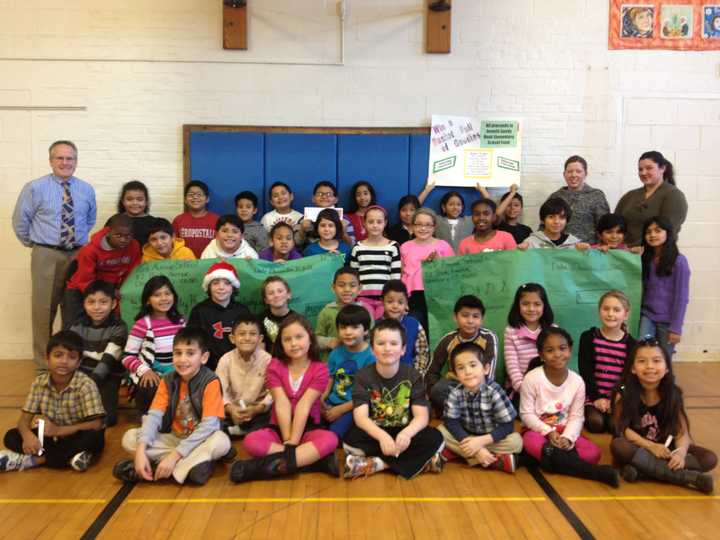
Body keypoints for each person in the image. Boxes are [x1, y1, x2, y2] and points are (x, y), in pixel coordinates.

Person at [12, 140, 97, 368]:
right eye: (59, 158)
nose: (65, 162)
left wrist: (75, 243)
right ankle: (42, 363)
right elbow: (20, 221)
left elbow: (89, 220)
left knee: (74, 308)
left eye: (70, 158)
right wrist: (39, 245)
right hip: (46, 254)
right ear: (50, 161)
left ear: (76, 161)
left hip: (78, 255)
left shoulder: (86, 189)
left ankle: (70, 360)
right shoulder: (34, 188)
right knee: (43, 310)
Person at [113, 327, 233, 485]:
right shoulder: (167, 380)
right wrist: (141, 451)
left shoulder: (210, 381)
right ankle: (189, 467)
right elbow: (154, 416)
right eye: (178, 353)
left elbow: (209, 426)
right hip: (174, 438)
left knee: (221, 442)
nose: (183, 359)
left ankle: (161, 468)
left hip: (202, 440)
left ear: (204, 357)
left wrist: (173, 457)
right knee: (130, 438)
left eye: (190, 353)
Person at [230, 315, 339, 482]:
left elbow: (304, 405)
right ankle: (314, 462)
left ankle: (255, 468)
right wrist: (288, 441)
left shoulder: (320, 369)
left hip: (308, 428)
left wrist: (293, 442)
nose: (294, 343)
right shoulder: (274, 366)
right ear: (281, 344)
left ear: (310, 338)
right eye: (287, 339)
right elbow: (281, 402)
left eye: (299, 337)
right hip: (280, 427)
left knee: (330, 439)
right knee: (251, 441)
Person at [342, 319, 445, 479]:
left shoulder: (413, 375)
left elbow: (422, 416)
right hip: (376, 433)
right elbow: (361, 418)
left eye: (394, 343)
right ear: (372, 349)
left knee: (435, 437)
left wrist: (406, 434)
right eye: (381, 343)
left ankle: (377, 465)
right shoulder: (363, 376)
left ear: (403, 349)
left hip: (404, 431)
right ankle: (423, 462)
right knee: (350, 440)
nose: (387, 348)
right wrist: (382, 437)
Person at [611, 339, 716, 493]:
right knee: (619, 446)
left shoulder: (673, 393)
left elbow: (682, 432)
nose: (650, 366)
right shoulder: (623, 391)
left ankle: (642, 471)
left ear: (667, 368)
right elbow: (623, 429)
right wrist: (651, 447)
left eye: (656, 361)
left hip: (665, 449)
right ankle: (688, 478)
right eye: (642, 361)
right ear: (633, 368)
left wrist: (680, 453)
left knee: (709, 458)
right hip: (638, 447)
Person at [520, 328, 619, 487]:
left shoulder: (577, 381)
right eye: (550, 350)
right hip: (537, 432)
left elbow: (576, 417)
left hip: (563, 432)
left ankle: (542, 459)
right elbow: (526, 415)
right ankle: (595, 473)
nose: (557, 354)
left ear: (570, 349)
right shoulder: (532, 378)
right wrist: (548, 432)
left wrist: (568, 437)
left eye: (562, 348)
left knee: (594, 453)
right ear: (541, 354)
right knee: (530, 441)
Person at [0, 330, 105, 473]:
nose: (64, 361)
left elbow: (96, 424)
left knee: (94, 438)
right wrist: (27, 436)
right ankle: (70, 459)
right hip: (52, 437)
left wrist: (60, 430)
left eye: (72, 357)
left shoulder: (86, 384)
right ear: (47, 358)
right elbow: (23, 421)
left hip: (76, 435)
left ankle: (34, 460)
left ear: (79, 362)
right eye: (58, 355)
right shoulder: (39, 383)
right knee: (11, 436)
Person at [438, 342, 522, 472]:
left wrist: (480, 442)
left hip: (490, 438)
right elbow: (451, 422)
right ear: (455, 374)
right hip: (467, 435)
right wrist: (475, 447)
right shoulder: (455, 392)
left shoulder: (494, 391)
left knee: (516, 442)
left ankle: (462, 455)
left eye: (473, 365)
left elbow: (507, 426)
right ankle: (488, 459)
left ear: (485, 369)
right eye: (461, 368)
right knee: (441, 432)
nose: (468, 372)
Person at [62, 213, 142, 326]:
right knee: (73, 326)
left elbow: (132, 272)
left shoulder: (134, 246)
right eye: (118, 235)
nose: (123, 240)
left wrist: (122, 290)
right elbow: (84, 279)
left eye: (127, 236)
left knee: (113, 325)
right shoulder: (90, 250)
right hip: (81, 288)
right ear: (109, 232)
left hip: (111, 289)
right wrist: (106, 294)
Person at [68, 281, 128, 427]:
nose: (96, 307)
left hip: (108, 375)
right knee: (70, 413)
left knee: (108, 419)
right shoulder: (77, 326)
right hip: (82, 373)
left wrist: (90, 384)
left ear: (113, 304)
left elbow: (108, 359)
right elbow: (72, 355)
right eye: (91, 302)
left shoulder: (119, 327)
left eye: (103, 302)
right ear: (84, 304)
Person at [122, 276, 185, 414]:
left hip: (179, 369)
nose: (164, 298)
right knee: (149, 386)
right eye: (157, 295)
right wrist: (145, 371)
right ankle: (149, 422)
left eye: (167, 293)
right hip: (154, 371)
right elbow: (127, 357)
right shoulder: (142, 324)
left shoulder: (180, 321)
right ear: (148, 301)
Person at [426, 295, 498, 413]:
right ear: (455, 317)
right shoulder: (448, 340)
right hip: (454, 385)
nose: (470, 321)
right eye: (465, 315)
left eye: (475, 316)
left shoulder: (489, 338)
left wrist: (477, 390)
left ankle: (467, 414)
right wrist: (432, 390)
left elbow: (489, 373)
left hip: (479, 383)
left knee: (493, 393)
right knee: (437, 391)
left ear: (482, 319)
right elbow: (432, 370)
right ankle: (460, 415)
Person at [578, 291, 636, 434]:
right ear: (599, 311)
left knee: (614, 427)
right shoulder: (588, 337)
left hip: (617, 398)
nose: (610, 314)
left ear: (626, 314)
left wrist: (616, 399)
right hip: (593, 396)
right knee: (596, 423)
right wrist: (597, 398)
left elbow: (628, 378)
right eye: (606, 309)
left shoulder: (631, 344)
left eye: (616, 310)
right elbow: (585, 371)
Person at [321, 305, 375, 439]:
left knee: (333, 435)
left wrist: (340, 409)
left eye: (355, 327)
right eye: (343, 327)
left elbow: (368, 394)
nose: (348, 332)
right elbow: (330, 379)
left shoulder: (371, 357)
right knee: (311, 425)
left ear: (366, 330)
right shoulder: (336, 352)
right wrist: (322, 399)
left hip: (353, 406)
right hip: (331, 402)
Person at [187, 262, 251, 370]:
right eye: (215, 283)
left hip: (239, 366)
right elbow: (192, 342)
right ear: (209, 287)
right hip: (207, 368)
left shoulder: (242, 311)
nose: (221, 287)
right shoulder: (199, 311)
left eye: (227, 283)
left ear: (233, 287)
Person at [615, 151, 688, 246]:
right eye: (640, 169)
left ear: (662, 168)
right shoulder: (630, 196)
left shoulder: (673, 195)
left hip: (655, 255)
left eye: (649, 168)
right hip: (626, 254)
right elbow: (615, 224)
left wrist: (638, 249)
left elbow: (667, 231)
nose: (643, 172)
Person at [216, 314, 272, 437]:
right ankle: (241, 431)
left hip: (258, 411)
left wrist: (257, 409)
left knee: (274, 416)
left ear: (260, 338)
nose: (247, 338)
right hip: (232, 410)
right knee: (213, 420)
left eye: (252, 334)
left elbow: (273, 392)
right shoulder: (225, 360)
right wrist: (231, 409)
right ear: (232, 338)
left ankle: (239, 431)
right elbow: (220, 391)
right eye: (242, 334)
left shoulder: (268, 360)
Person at [639, 216, 690, 354]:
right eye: (648, 232)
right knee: (643, 352)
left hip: (667, 321)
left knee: (664, 359)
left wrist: (676, 328)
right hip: (647, 316)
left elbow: (682, 297)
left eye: (657, 230)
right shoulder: (644, 259)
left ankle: (669, 377)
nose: (652, 235)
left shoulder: (679, 261)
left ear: (668, 233)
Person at [400, 208, 454, 334]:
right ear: (412, 226)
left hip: (436, 295)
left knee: (435, 332)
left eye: (428, 225)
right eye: (419, 224)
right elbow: (402, 275)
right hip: (412, 297)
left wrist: (439, 263)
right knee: (414, 331)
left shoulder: (443, 246)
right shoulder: (405, 246)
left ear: (434, 227)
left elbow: (452, 274)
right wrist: (403, 299)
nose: (423, 228)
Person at [504, 283, 555, 405]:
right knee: (529, 413)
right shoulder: (511, 332)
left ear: (544, 306)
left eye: (537, 304)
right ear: (518, 306)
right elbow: (512, 367)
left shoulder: (553, 331)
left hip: (549, 387)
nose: (531, 309)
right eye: (525, 304)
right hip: (521, 388)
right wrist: (525, 390)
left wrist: (550, 389)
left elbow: (556, 363)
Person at [349, 206, 401, 319]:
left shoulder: (393, 246)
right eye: (371, 222)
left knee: (383, 329)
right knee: (366, 328)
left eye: (379, 222)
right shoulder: (357, 248)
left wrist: (395, 299)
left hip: (386, 299)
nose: (375, 225)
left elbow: (395, 276)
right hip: (363, 298)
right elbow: (353, 277)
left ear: (385, 223)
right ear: (364, 223)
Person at [546, 156, 610, 244]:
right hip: (559, 250)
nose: (573, 175)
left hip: (588, 251)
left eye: (578, 171)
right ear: (564, 174)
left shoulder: (596, 196)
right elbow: (544, 225)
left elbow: (606, 227)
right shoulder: (555, 197)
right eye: (569, 172)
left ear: (585, 173)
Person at [378, 280, 429, 376]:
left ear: (406, 303)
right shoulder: (375, 326)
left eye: (400, 302)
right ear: (382, 301)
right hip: (380, 378)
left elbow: (422, 354)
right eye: (390, 301)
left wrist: (416, 376)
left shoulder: (414, 324)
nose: (395, 306)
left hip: (408, 377)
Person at [315, 267, 366, 352]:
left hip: (358, 361)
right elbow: (315, 339)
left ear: (359, 289)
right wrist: (329, 342)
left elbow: (372, 337)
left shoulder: (364, 311)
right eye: (341, 285)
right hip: (332, 362)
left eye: (352, 285)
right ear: (333, 287)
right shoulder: (327, 311)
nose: (347, 289)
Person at [418, 183, 475, 253]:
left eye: (459, 204)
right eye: (451, 204)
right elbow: (415, 209)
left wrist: (482, 190)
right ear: (443, 207)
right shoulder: (437, 220)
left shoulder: (469, 221)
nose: (455, 207)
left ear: (462, 207)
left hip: (464, 262)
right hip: (442, 261)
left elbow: (491, 208)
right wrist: (427, 190)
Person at [296, 181, 355, 247]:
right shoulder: (304, 218)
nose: (324, 197)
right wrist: (302, 230)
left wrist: (344, 232)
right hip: (312, 255)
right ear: (313, 198)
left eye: (329, 194)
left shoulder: (344, 219)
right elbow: (296, 244)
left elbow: (351, 245)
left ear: (336, 199)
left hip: (337, 255)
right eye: (320, 194)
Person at [518, 198, 590, 250]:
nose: (556, 221)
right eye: (551, 217)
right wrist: (520, 251)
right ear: (542, 220)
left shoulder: (575, 244)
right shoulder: (530, 243)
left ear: (566, 221)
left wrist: (587, 252)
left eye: (561, 218)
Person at [172, 180, 219, 259]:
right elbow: (172, 245)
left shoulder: (217, 220)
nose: (195, 197)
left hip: (209, 263)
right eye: (191, 195)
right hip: (185, 265)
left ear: (207, 199)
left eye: (199, 194)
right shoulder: (178, 220)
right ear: (185, 200)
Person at [112, 180, 155, 247]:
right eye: (129, 199)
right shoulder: (114, 220)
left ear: (146, 201)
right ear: (122, 201)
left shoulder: (155, 223)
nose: (135, 203)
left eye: (140, 199)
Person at [259, 276, 298, 348]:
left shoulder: (298, 320)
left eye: (280, 291)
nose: (276, 295)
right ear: (266, 300)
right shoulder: (258, 321)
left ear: (289, 295)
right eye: (271, 293)